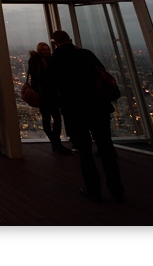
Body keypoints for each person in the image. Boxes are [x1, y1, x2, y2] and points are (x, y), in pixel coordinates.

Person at [48, 30, 125, 202]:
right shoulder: (86, 54)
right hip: (98, 107)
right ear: (70, 39)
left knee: (85, 150)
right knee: (106, 147)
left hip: (75, 110)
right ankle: (116, 188)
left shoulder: (56, 60)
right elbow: (101, 73)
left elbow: (53, 85)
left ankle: (93, 189)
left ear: (54, 43)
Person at [27, 41, 72, 154]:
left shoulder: (45, 61)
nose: (46, 51)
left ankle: (55, 142)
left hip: (50, 94)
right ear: (39, 50)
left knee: (54, 119)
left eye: (47, 49)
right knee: (49, 118)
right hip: (45, 94)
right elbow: (38, 76)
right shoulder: (38, 61)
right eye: (44, 49)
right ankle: (56, 143)